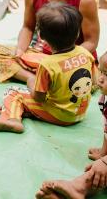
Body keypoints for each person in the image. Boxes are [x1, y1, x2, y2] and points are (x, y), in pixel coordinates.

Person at [0, 2, 95, 134]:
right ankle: (24, 110)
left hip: (61, 116)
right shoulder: (85, 53)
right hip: (79, 112)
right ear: (78, 33)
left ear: (41, 36)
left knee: (13, 93)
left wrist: (31, 82)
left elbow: (39, 98)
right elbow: (92, 81)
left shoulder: (47, 65)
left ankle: (13, 120)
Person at [36, 53, 107, 199]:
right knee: (99, 171)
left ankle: (79, 187)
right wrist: (103, 154)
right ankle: (79, 189)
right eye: (101, 71)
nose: (100, 78)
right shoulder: (104, 99)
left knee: (101, 169)